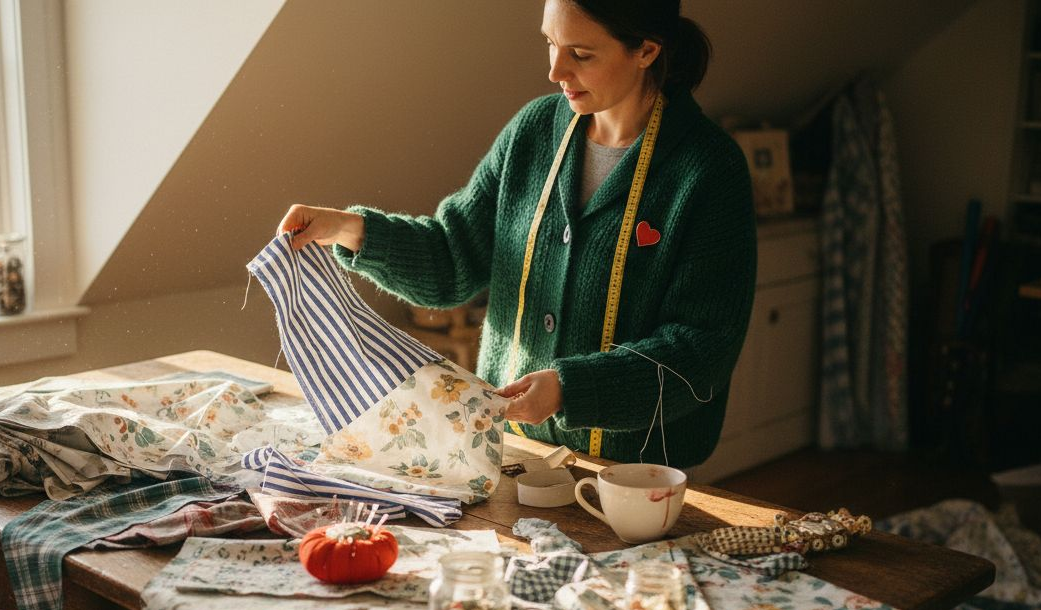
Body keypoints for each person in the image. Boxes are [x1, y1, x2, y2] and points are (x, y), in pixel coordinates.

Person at [277, 0, 756, 469]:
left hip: (637, 473)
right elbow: (452, 257)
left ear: (647, 51)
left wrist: (571, 389)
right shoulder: (532, 133)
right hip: (511, 452)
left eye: (581, 54)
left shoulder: (708, 170)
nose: (556, 71)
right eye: (550, 43)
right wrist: (349, 229)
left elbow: (699, 350)